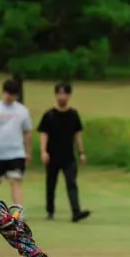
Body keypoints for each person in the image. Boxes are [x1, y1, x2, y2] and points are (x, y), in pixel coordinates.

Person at [38, 82, 91, 222]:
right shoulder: (49, 115)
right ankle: (50, 210)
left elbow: (77, 134)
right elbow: (44, 134)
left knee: (71, 183)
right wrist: (43, 151)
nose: (62, 96)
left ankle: (76, 211)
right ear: (55, 95)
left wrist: (82, 152)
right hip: (52, 155)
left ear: (69, 95)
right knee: (51, 183)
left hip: (68, 156)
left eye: (65, 93)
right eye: (59, 93)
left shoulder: (73, 115)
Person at [0, 78, 34, 210]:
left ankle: (18, 213)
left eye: (13, 95)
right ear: (3, 92)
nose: (10, 97)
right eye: (8, 94)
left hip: (16, 153)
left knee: (16, 181)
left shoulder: (22, 111)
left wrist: (28, 152)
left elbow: (28, 132)